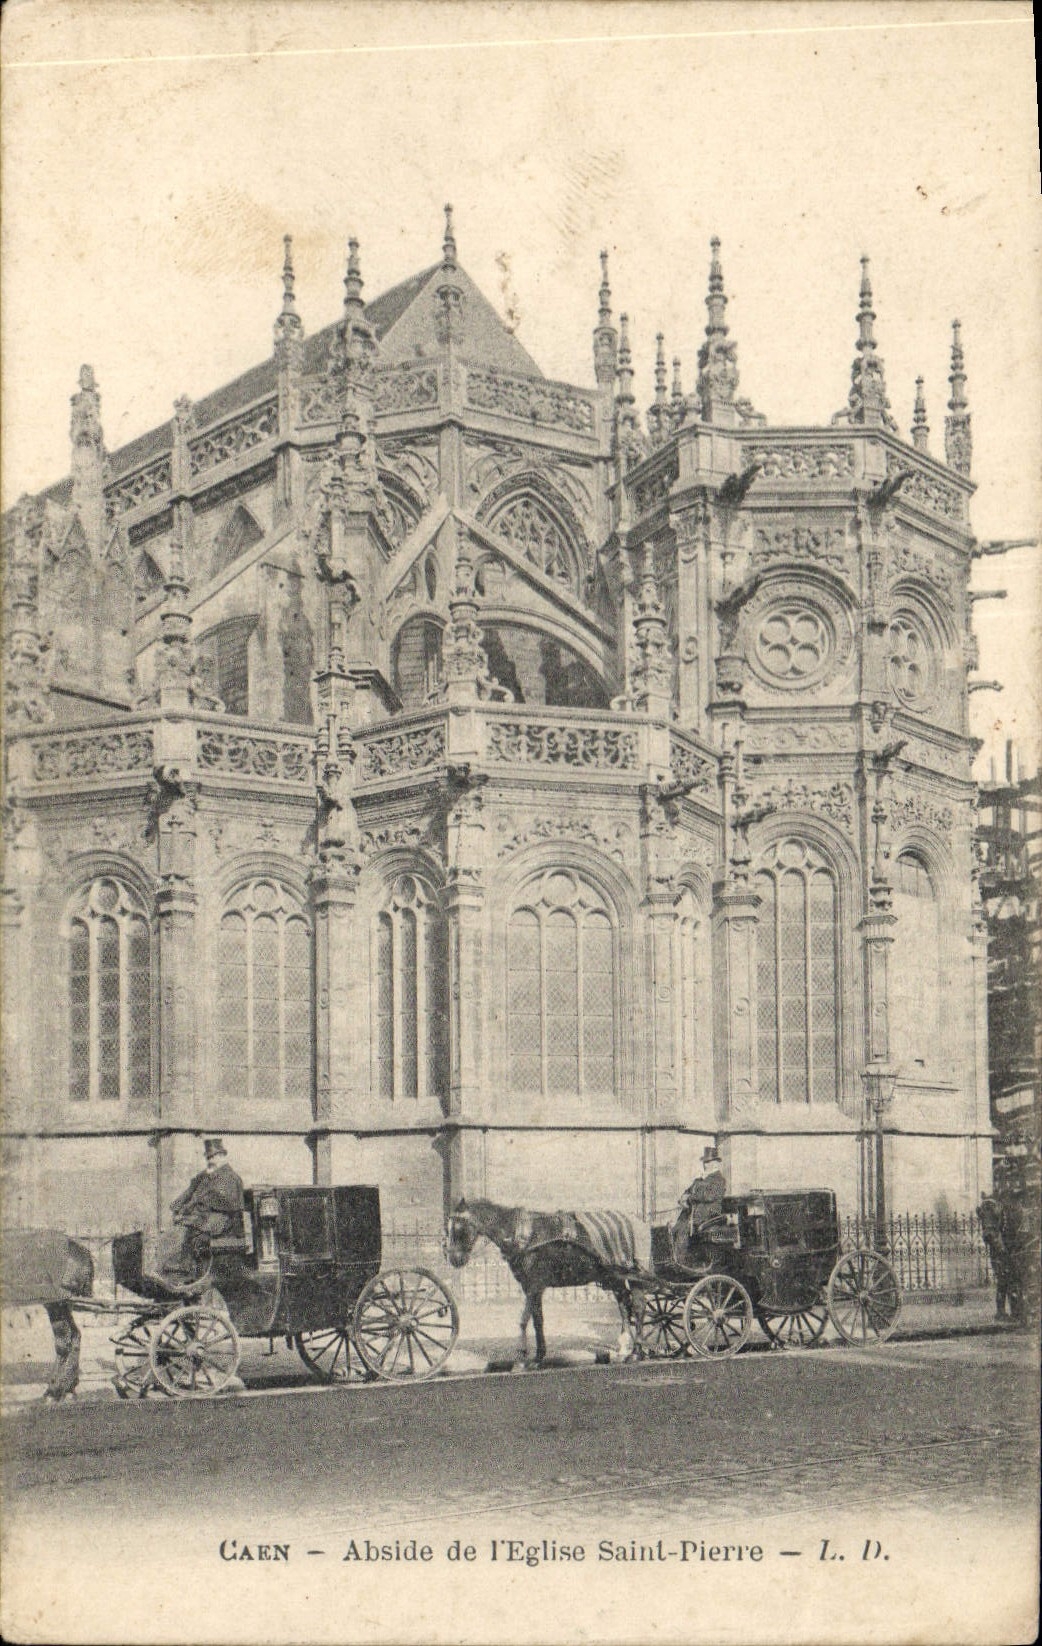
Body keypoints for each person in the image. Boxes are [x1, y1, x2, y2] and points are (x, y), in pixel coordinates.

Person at [152, 1138, 245, 1289]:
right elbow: (189, 1196)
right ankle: (169, 1271)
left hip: (223, 1222)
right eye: (208, 1157)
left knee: (187, 1232)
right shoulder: (206, 1177)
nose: (211, 1160)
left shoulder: (230, 1178)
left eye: (214, 1156)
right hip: (207, 1218)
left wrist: (193, 1214)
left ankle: (180, 1272)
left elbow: (225, 1204)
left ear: (222, 1156)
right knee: (174, 1230)